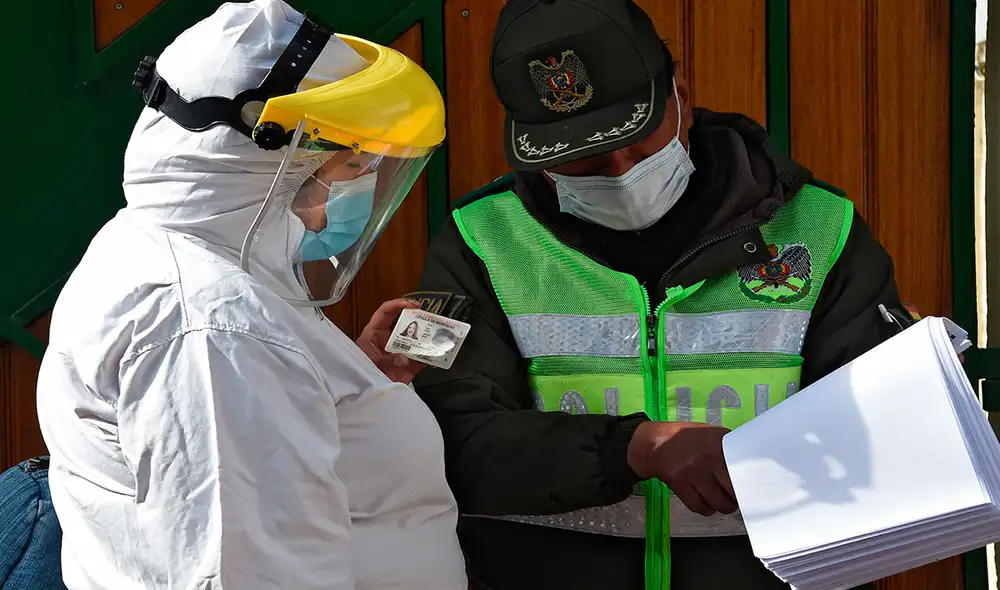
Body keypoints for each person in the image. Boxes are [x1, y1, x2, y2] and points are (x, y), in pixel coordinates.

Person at [412, 0, 911, 589]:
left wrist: (914, 390)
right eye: (584, 159)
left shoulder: (820, 230)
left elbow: (882, 433)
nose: (621, 169)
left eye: (637, 138)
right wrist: (634, 447)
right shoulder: (482, 241)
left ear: (680, 90)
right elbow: (448, 441)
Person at [35, 1, 466, 588]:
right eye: (349, 161)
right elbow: (244, 571)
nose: (359, 180)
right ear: (270, 157)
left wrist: (345, 378)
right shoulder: (212, 328)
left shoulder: (182, 255)